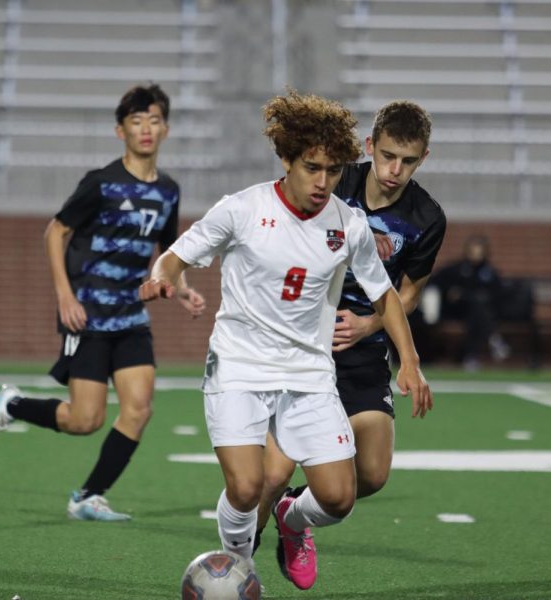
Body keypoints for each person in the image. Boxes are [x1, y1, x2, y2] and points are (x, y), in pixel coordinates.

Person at [139, 90, 432, 591]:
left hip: (309, 374)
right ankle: (239, 569)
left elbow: (385, 296)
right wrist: (165, 278)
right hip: (239, 365)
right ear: (286, 159)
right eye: (312, 168)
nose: (324, 183)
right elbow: (176, 255)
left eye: (335, 171)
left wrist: (410, 361)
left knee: (340, 498)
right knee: (248, 485)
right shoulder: (242, 209)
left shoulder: (349, 224)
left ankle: (292, 521)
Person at [0, 83, 205, 521]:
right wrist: (64, 296)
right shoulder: (101, 184)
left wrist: (184, 289)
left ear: (166, 130)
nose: (146, 129)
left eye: (154, 120)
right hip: (89, 316)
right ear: (121, 131)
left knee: (139, 409)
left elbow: (169, 253)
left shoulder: (169, 190)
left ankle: (88, 497)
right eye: (136, 121)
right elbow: (55, 232)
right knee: (85, 420)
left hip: (132, 316)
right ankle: (11, 406)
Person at [252, 100, 447, 580]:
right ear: (368, 148)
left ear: (423, 158)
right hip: (302, 347)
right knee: (272, 474)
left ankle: (293, 517)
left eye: (407, 160)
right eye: (386, 156)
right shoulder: (334, 180)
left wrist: (372, 328)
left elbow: (409, 293)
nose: (394, 170)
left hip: (361, 352)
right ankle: (237, 563)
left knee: (372, 475)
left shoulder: (427, 217)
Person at [432, 234, 510, 370]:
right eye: (473, 250)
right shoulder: (456, 268)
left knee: (477, 311)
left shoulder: (489, 271)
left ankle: (471, 357)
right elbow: (436, 281)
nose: (476, 254)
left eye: (479, 250)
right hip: (455, 309)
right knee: (477, 308)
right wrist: (450, 292)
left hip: (477, 313)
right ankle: (493, 339)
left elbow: (497, 292)